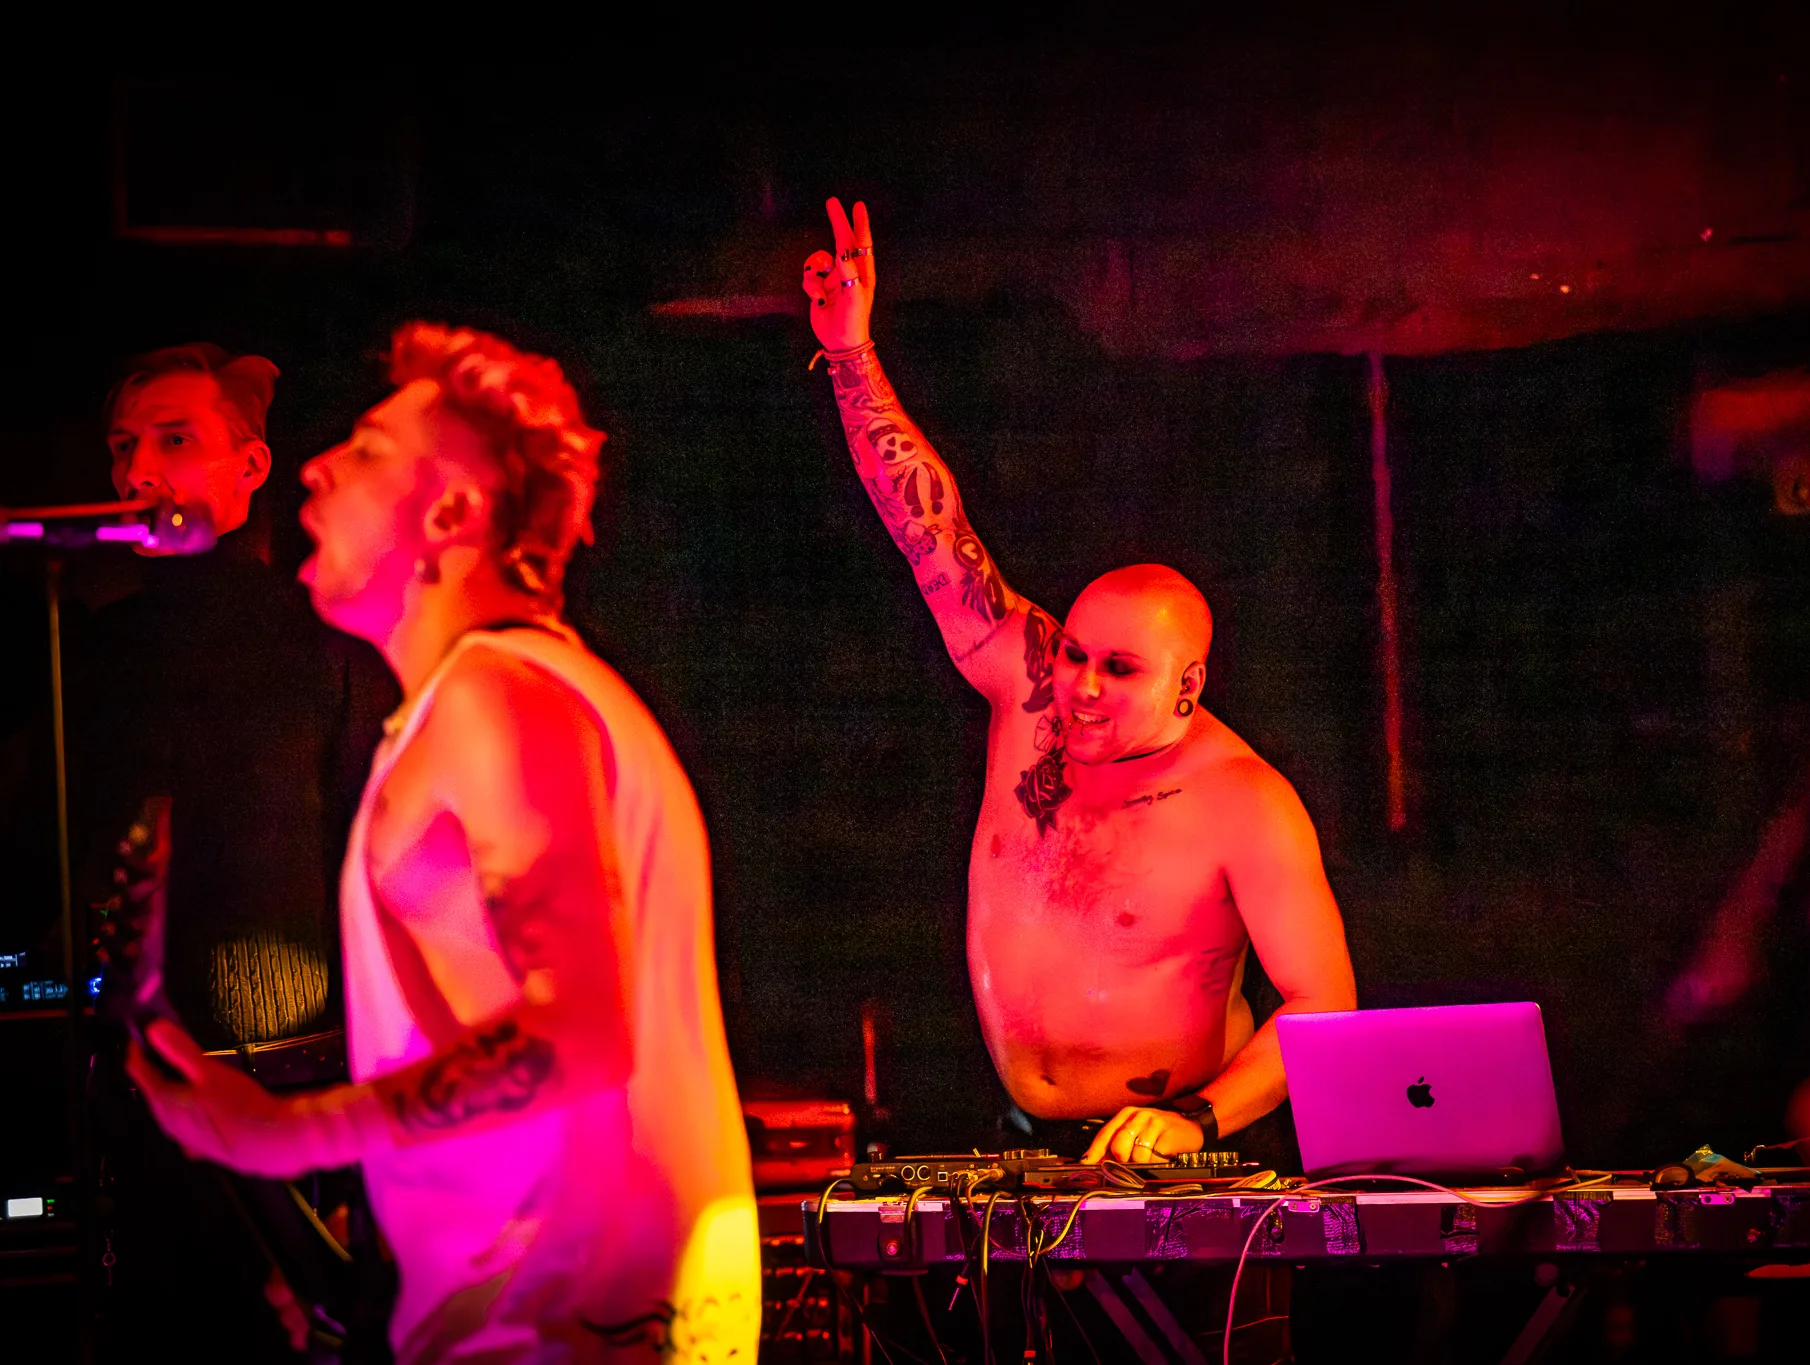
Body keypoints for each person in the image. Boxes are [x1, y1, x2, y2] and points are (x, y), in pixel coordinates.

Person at [130, 323, 758, 1363]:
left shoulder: (494, 693)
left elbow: (575, 1033)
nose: (317, 468)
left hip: (564, 1318)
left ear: (452, 514)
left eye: (368, 451)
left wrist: (289, 1132)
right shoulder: (506, 695)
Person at [802, 199, 1356, 1169]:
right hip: (1019, 1139)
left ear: (1187, 687)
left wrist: (1197, 1120)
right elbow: (929, 528)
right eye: (1074, 654)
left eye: (1119, 669)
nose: (1080, 686)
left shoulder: (1244, 801)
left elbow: (1323, 1005)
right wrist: (851, 354)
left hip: (1175, 1147)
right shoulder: (1028, 686)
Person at [71, 343, 396, 1360]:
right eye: (123, 448)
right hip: (138, 1111)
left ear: (250, 465)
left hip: (293, 1103)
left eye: (174, 440)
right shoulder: (87, 652)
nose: (139, 471)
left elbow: (378, 882)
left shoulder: (329, 643)